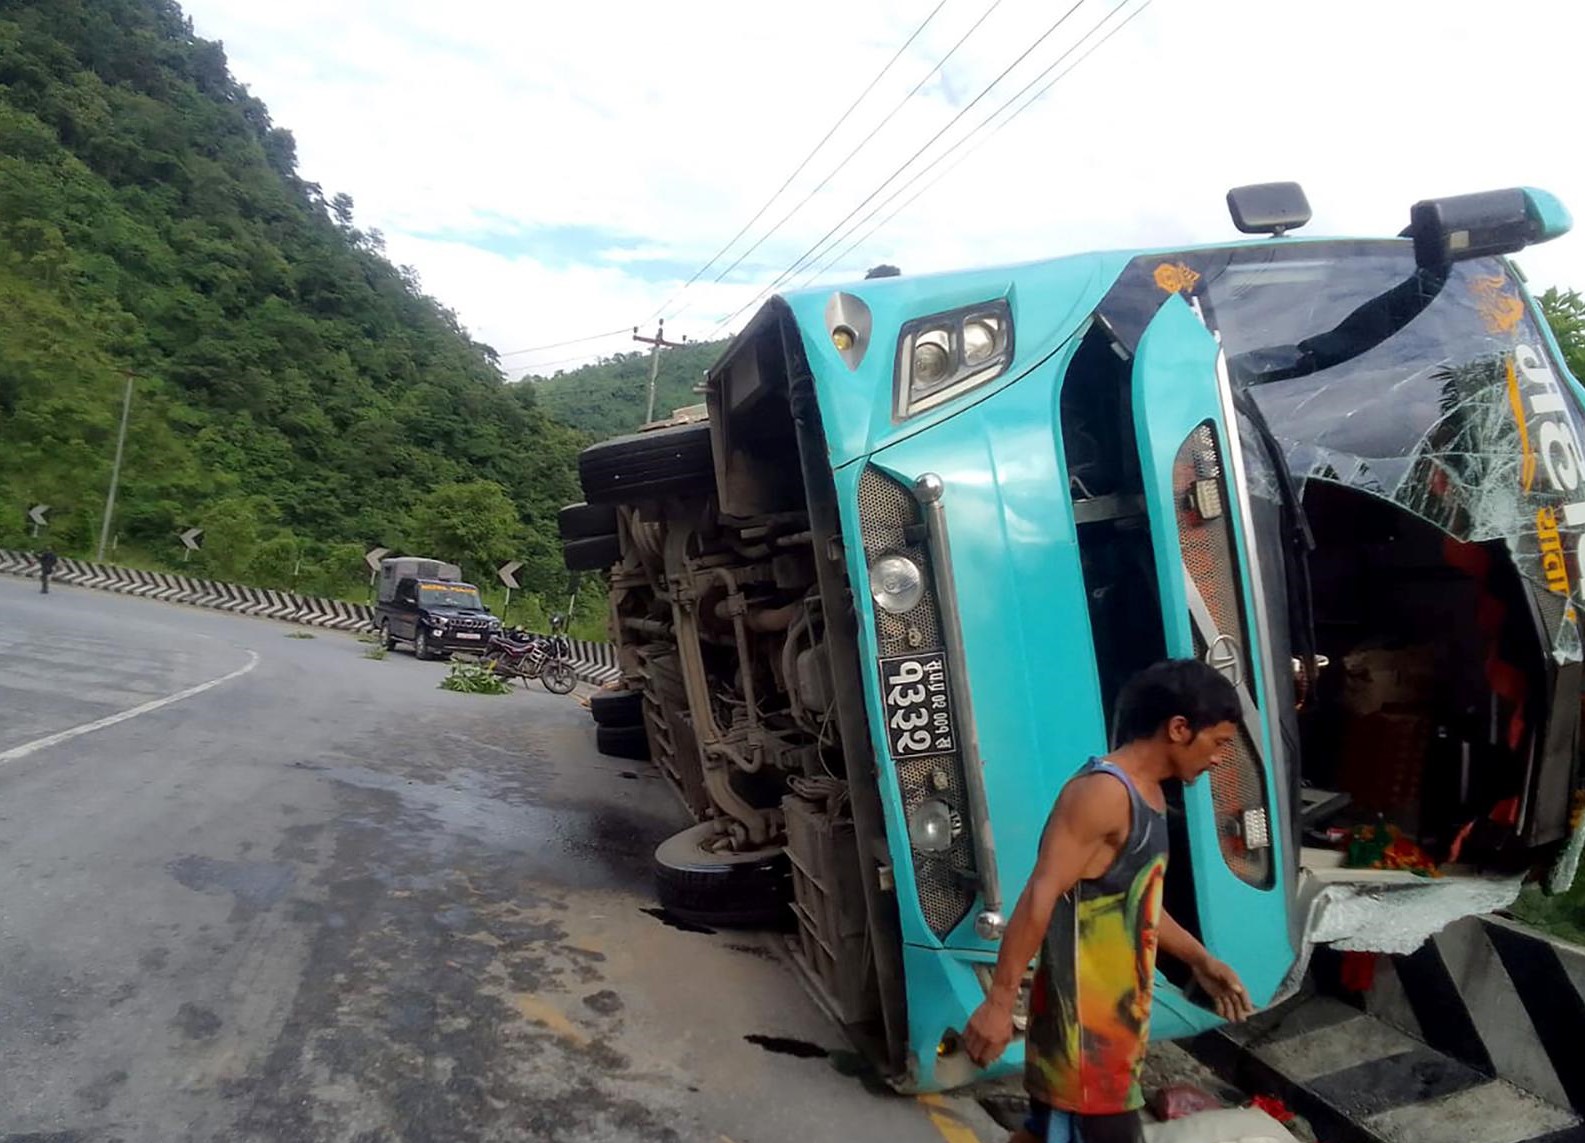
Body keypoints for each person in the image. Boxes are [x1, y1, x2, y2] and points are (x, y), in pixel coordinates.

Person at [962, 659, 1257, 1143]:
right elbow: (1040, 895)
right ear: (1179, 729)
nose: (1220, 758)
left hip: (1114, 1041)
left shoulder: (1150, 797)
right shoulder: (1102, 794)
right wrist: (999, 1002)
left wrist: (1200, 959)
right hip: (1083, 1045)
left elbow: (1135, 903)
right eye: (1219, 742)